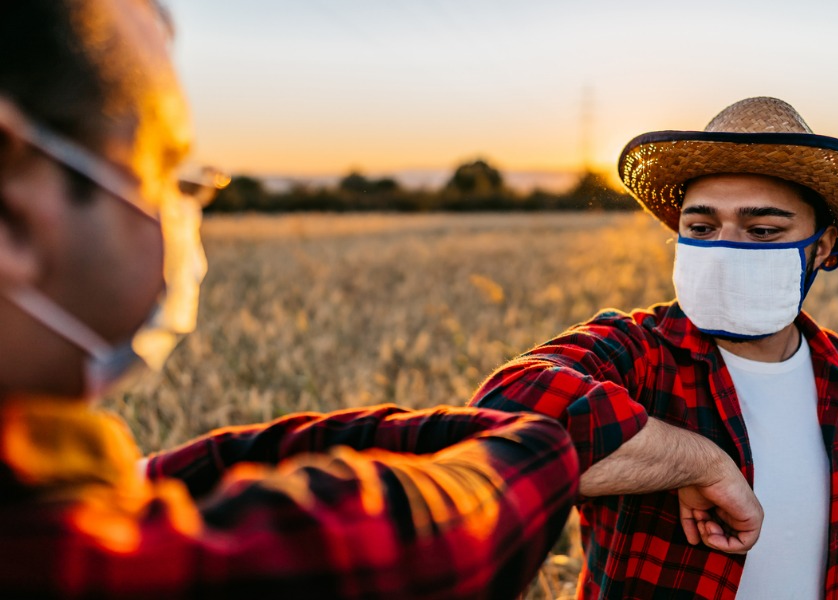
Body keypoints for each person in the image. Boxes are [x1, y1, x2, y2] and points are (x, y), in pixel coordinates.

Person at [0, 2, 579, 598]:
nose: (179, 215)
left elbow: (157, 479)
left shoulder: (40, 479)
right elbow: (419, 539)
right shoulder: (74, 562)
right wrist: (535, 440)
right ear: (10, 206)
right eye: (163, 172)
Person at [471, 96, 838, 599]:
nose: (726, 248)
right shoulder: (640, 355)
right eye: (702, 228)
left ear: (822, 245)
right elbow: (499, 419)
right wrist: (697, 461)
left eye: (763, 230)